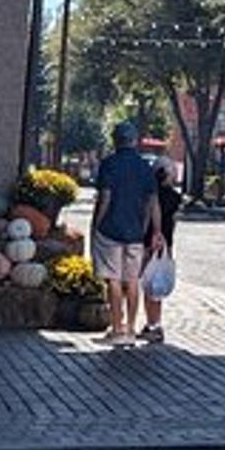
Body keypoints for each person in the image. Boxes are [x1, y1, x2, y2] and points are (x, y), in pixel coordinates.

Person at [91, 121, 163, 348]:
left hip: (111, 228)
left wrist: (96, 223)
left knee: (112, 278)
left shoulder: (109, 164)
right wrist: (153, 230)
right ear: (135, 140)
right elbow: (152, 203)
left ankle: (116, 329)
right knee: (132, 280)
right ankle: (131, 329)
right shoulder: (145, 167)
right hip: (135, 232)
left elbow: (106, 197)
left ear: (115, 140)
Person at [139, 160, 183, 344]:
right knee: (155, 283)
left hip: (150, 242)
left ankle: (154, 325)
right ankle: (153, 324)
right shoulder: (174, 197)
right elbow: (172, 222)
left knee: (149, 285)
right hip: (165, 243)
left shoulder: (149, 195)